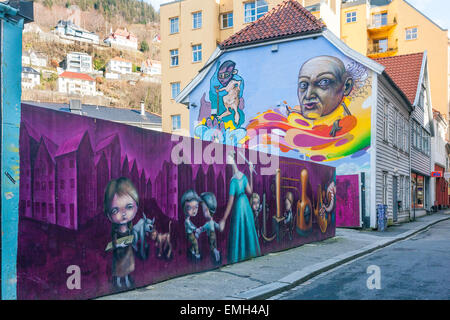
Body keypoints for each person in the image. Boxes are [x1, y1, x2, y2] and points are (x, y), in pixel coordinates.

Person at [291, 56, 354, 137]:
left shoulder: (349, 130)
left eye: (324, 82)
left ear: (347, 86)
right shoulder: (294, 125)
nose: (308, 95)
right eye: (303, 84)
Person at [219, 151, 261, 263]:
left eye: (228, 159)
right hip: (246, 204)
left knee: (239, 231)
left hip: (238, 206)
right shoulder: (243, 176)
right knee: (247, 229)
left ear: (232, 160)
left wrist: (223, 219)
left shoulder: (233, 181)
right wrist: (251, 173)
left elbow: (230, 202)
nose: (227, 161)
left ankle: (240, 256)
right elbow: (250, 191)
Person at [104, 177, 139, 290]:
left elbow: (133, 239)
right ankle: (118, 282)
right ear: (109, 214)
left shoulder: (130, 229)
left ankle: (128, 280)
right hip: (119, 254)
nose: (123, 214)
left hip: (128, 253)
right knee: (119, 269)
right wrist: (119, 245)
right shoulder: (115, 231)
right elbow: (114, 243)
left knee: (127, 268)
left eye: (129, 207)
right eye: (116, 210)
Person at [197, 192, 221, 263]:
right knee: (214, 245)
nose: (203, 212)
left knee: (212, 247)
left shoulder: (208, 224)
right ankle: (216, 251)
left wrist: (198, 231)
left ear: (208, 210)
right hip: (214, 235)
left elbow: (203, 228)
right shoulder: (212, 222)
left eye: (204, 210)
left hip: (211, 235)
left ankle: (215, 252)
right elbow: (217, 226)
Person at [181, 189, 202, 260]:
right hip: (189, 234)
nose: (194, 210)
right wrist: (195, 229)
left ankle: (192, 250)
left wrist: (195, 228)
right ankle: (197, 253)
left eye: (196, 207)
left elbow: (191, 224)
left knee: (194, 241)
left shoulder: (188, 220)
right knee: (195, 242)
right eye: (190, 208)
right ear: (184, 209)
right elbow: (190, 226)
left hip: (191, 233)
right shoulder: (186, 221)